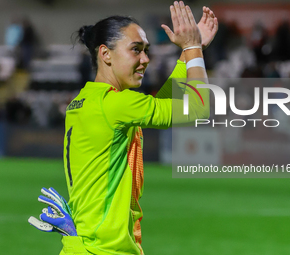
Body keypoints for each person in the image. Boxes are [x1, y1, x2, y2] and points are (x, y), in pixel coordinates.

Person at [61, 2, 218, 254]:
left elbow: (160, 106)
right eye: (136, 50)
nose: (145, 59)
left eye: (146, 50)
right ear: (106, 54)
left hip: (85, 245)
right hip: (106, 250)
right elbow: (199, 108)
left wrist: (188, 54)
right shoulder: (117, 104)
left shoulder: (86, 100)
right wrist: (192, 48)